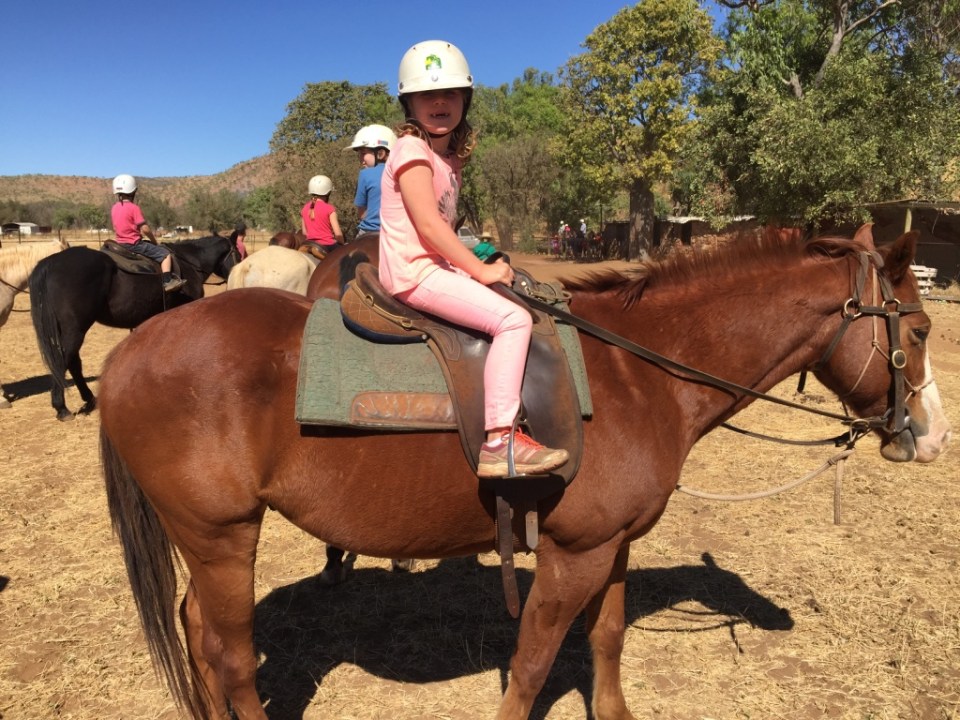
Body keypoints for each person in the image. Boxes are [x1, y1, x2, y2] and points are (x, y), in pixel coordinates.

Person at [379, 39, 568, 479]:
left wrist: (476, 261)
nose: (439, 102)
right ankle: (500, 442)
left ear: (465, 99)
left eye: (449, 93)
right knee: (514, 320)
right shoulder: (411, 151)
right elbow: (428, 226)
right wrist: (479, 269)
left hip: (433, 268)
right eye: (427, 94)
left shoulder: (447, 160)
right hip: (414, 273)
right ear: (409, 102)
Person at [110, 174, 186, 292]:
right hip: (134, 244)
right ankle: (167, 281)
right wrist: (154, 241)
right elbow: (145, 229)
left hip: (119, 243)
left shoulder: (114, 207)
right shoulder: (134, 208)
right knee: (165, 255)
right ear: (133, 192)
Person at [345, 124, 397, 238]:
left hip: (369, 231)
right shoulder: (403, 173)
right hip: (398, 233)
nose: (361, 160)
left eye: (363, 154)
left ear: (380, 153)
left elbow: (362, 213)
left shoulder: (365, 174)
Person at [300, 175, 343, 258]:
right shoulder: (329, 208)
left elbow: (304, 233)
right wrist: (342, 243)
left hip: (307, 244)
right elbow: (338, 234)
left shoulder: (304, 208)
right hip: (327, 245)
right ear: (328, 193)